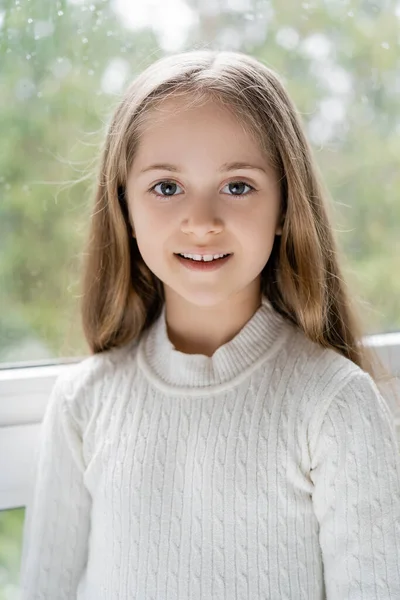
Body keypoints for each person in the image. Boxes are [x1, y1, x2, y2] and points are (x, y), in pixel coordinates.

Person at [19, 50, 400, 599]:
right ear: (123, 205)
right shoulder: (84, 402)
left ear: (286, 209)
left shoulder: (334, 404)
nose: (201, 222)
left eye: (238, 186)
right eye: (167, 187)